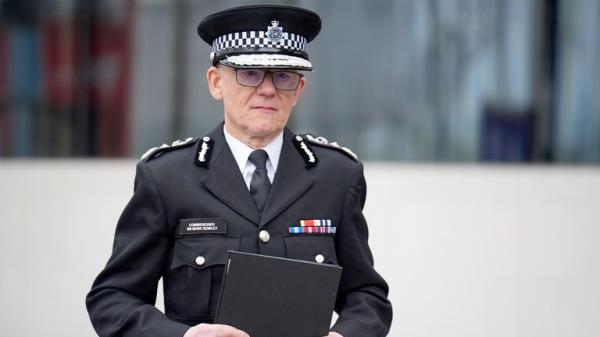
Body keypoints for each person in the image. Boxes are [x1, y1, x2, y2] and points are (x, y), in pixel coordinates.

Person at [86, 4, 392, 337]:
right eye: (249, 73)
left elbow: (367, 296)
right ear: (216, 83)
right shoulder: (168, 177)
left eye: (284, 76)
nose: (267, 89)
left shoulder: (335, 176)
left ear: (299, 91)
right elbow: (113, 298)